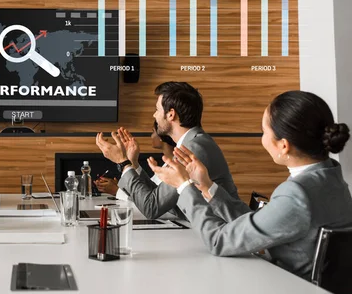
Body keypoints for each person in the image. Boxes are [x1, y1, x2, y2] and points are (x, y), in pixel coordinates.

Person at [152, 90, 352, 280]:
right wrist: (208, 187)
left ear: (283, 145)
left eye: (263, 131)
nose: (261, 138)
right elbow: (255, 223)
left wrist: (184, 187)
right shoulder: (331, 177)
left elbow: (219, 241)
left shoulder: (296, 194)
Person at [95, 81, 239, 219]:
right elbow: (158, 197)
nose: (154, 115)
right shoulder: (193, 143)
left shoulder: (193, 148)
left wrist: (123, 162)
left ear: (171, 114)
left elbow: (151, 207)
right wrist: (132, 164)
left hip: (221, 236)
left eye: (157, 109)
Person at [94, 121, 175, 196]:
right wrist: (132, 161)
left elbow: (150, 201)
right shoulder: (166, 165)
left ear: (161, 135)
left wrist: (117, 191)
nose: (151, 136)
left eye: (153, 131)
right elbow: (146, 191)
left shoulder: (173, 169)